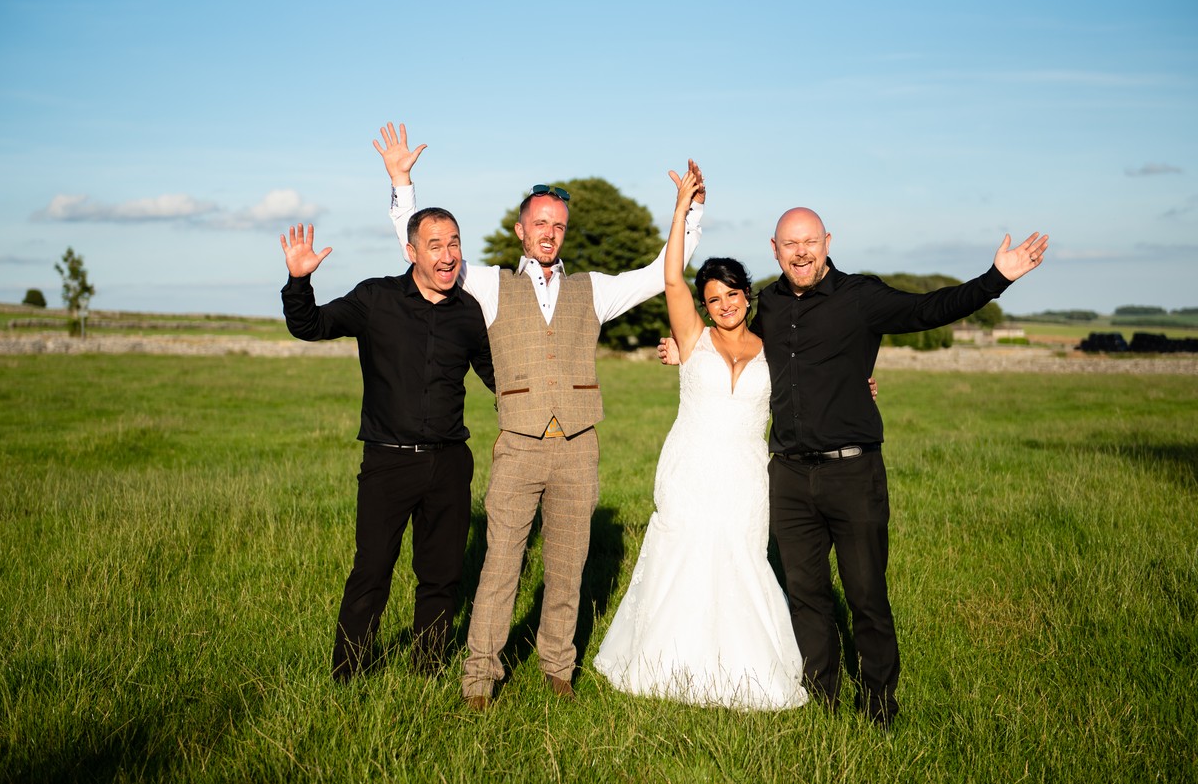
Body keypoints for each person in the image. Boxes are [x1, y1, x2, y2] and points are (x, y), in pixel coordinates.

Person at [665, 208, 1048, 726]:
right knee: (807, 595)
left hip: (854, 473)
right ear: (774, 249)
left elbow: (928, 310)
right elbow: (732, 342)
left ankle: (879, 705)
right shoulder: (770, 307)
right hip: (789, 477)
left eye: (809, 242)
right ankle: (821, 698)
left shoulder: (861, 297)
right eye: (789, 244)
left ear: (827, 242)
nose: (800, 252)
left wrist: (995, 278)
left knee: (866, 595)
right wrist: (683, 350)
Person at [375, 122, 706, 709]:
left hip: (579, 444)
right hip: (520, 446)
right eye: (540, 224)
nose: (549, 233)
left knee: (568, 566)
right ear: (521, 229)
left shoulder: (593, 289)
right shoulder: (488, 286)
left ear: (563, 232)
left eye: (558, 225)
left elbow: (661, 273)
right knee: (499, 567)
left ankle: (558, 667)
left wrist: (690, 213)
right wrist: (402, 180)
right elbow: (425, 243)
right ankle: (480, 677)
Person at [592, 166, 808, 710]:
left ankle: (746, 672)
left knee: (741, 557)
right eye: (713, 298)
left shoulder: (773, 350)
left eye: (732, 294)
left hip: (745, 472)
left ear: (745, 295)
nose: (725, 304)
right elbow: (669, 281)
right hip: (691, 464)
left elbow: (817, 380)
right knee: (684, 555)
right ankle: (668, 665)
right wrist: (682, 211)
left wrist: (861, 386)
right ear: (704, 305)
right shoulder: (691, 338)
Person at [279, 211, 495, 683]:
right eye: (435, 244)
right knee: (371, 571)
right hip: (387, 462)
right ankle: (348, 674)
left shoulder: (469, 312)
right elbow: (311, 325)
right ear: (411, 251)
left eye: (454, 243)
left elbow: (497, 377)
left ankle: (428, 670)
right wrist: (299, 282)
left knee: (441, 577)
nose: (448, 254)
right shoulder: (375, 298)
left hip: (450, 463)